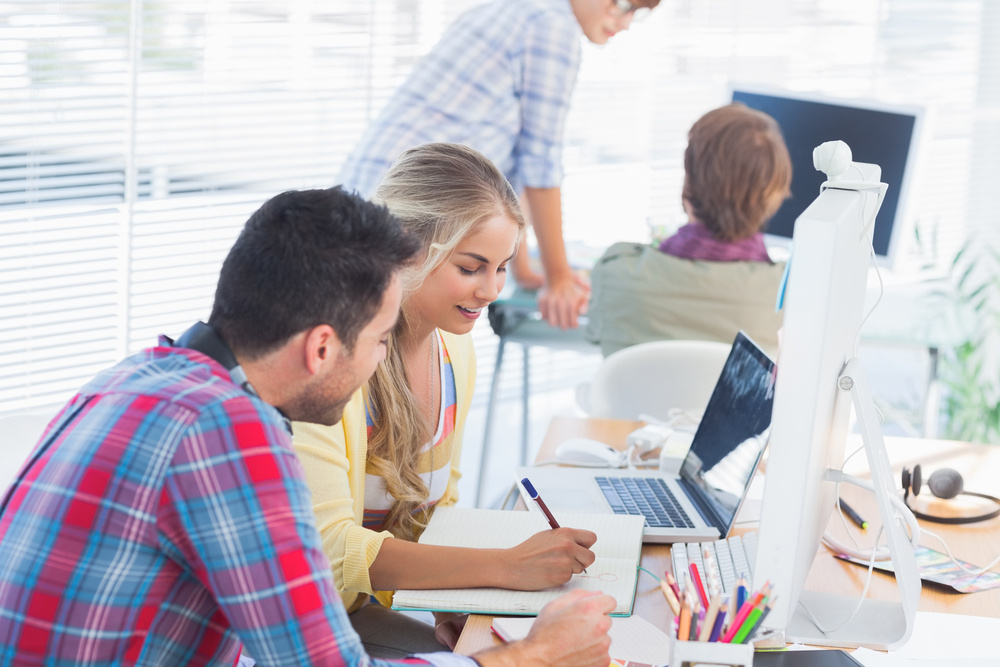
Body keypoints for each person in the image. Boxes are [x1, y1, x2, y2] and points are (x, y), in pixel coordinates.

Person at [0, 186, 616, 667]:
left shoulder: (142, 375)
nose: (383, 361)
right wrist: (537, 654)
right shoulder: (229, 435)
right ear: (322, 348)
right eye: (379, 341)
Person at [294, 143, 598, 658]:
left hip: (359, 616)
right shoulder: (330, 363)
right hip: (304, 630)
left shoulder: (454, 347)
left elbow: (432, 512)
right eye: (472, 267)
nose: (491, 290)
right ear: (409, 249)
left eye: (501, 268)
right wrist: (502, 567)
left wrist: (449, 603)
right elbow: (330, 549)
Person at [338, 0, 662, 330]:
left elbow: (509, 178)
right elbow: (541, 163)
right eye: (622, 4)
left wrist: (520, 268)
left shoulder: (511, 10)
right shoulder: (552, 27)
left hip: (361, 211)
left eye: (637, 11)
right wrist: (559, 277)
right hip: (400, 224)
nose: (624, 22)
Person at [585, 102, 793, 358]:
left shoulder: (616, 273)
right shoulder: (789, 298)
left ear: (688, 182)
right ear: (774, 197)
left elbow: (594, 331)